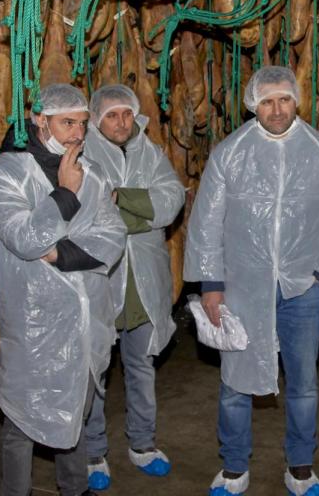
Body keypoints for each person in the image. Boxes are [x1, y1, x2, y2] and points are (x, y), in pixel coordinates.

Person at [184, 66, 319, 496]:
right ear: (253, 105)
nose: (276, 110)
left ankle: (300, 465)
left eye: (283, 99)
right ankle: (234, 466)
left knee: (303, 383)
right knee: (234, 381)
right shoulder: (230, 153)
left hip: (302, 288)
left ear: (296, 100)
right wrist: (211, 284)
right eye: (266, 101)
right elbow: (206, 222)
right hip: (242, 286)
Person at [0, 83, 126, 496]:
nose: (77, 134)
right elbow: (25, 239)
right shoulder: (5, 174)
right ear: (40, 121)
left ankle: (75, 489)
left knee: (76, 412)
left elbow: (113, 235)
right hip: (33, 321)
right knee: (22, 420)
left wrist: (62, 254)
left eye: (82, 124)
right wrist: (64, 193)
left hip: (87, 314)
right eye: (67, 123)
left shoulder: (92, 172)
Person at [81, 84, 185, 490]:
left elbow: (171, 202)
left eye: (126, 113)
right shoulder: (83, 154)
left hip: (143, 283)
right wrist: (142, 215)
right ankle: (93, 452)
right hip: (101, 279)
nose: (121, 122)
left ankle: (143, 444)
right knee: (95, 370)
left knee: (142, 367)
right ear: (96, 120)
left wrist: (120, 196)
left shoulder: (150, 152)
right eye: (112, 115)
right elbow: (87, 215)